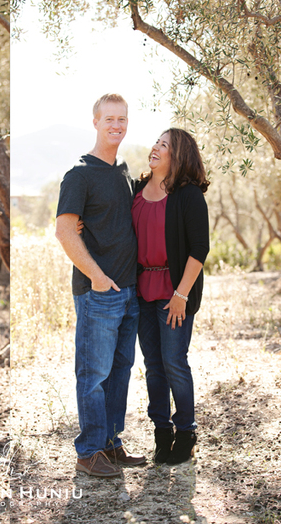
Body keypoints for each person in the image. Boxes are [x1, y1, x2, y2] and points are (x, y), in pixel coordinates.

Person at [55, 93, 145, 478]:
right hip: (98, 292)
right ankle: (89, 450)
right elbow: (63, 231)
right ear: (95, 123)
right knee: (93, 375)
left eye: (122, 119)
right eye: (109, 119)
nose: (116, 125)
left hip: (130, 292)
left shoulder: (122, 172)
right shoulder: (79, 174)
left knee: (120, 370)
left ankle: (110, 442)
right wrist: (96, 275)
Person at [131, 127, 209, 465]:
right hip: (142, 291)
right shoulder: (134, 189)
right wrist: (77, 223)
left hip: (174, 293)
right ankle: (161, 432)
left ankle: (186, 431)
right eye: (156, 142)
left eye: (164, 145)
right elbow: (109, 220)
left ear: (178, 155)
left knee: (174, 362)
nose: (156, 148)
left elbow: (199, 249)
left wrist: (181, 295)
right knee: (153, 366)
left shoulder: (188, 195)